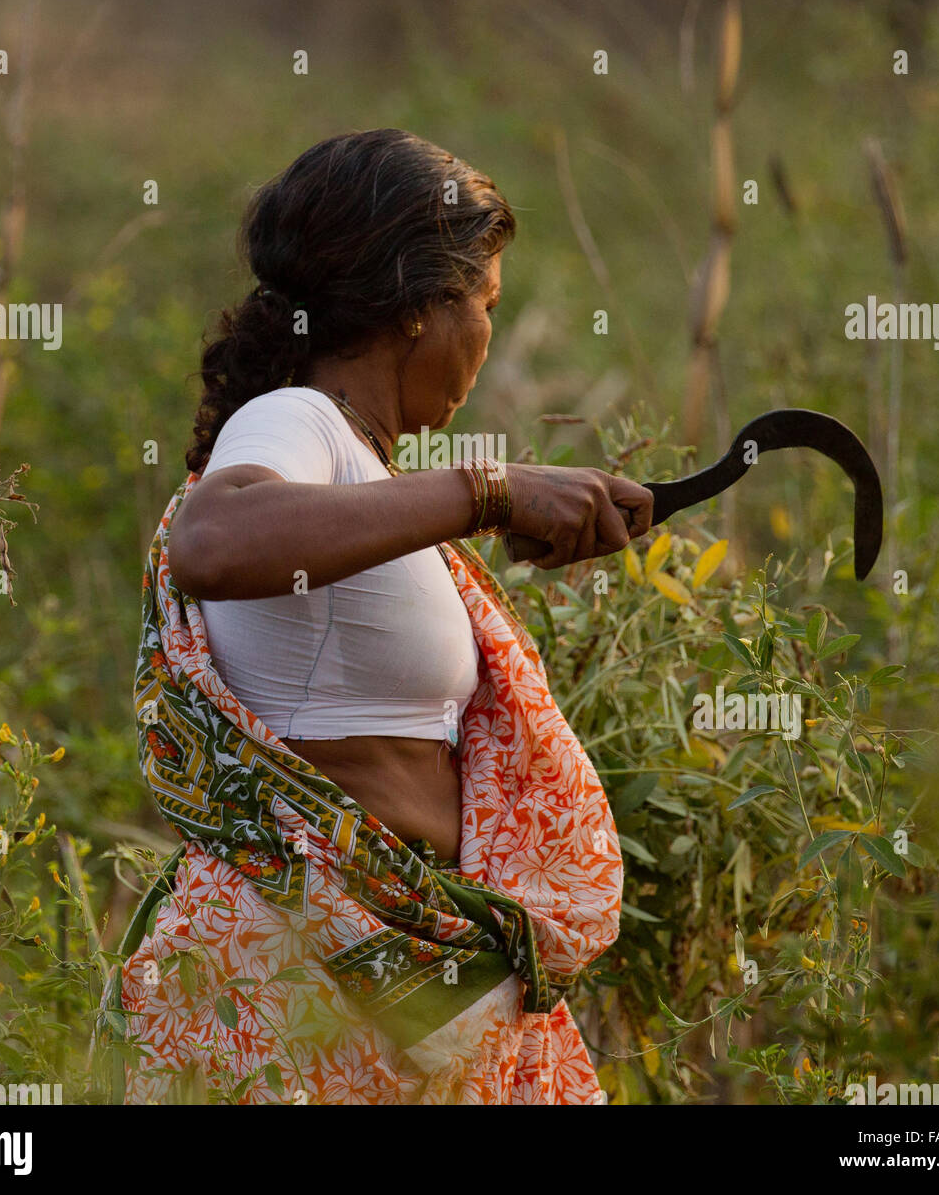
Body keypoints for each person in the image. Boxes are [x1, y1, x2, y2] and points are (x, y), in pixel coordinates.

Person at [108, 128, 653, 1105]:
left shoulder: (359, 469)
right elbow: (213, 540)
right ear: (416, 309)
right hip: (302, 964)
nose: (487, 336)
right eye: (484, 305)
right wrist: (489, 492)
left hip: (381, 964)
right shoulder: (295, 420)